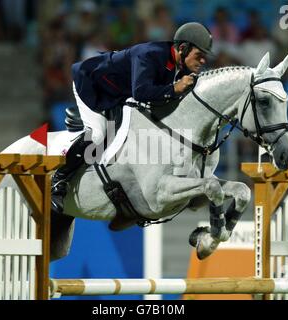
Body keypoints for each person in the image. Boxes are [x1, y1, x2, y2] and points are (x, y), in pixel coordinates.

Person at [51, 22, 213, 211]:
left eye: (205, 57)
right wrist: (175, 88)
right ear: (183, 49)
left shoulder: (183, 67)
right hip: (92, 85)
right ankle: (59, 181)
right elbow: (141, 92)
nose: (203, 61)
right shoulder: (149, 54)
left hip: (119, 94)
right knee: (97, 134)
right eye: (199, 55)